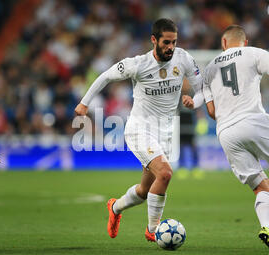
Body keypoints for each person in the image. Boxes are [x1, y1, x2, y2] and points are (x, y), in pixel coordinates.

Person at [184, 25, 269, 252]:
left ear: (224, 44)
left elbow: (211, 112)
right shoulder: (255, 53)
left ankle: (268, 228)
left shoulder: (210, 68)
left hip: (226, 132)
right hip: (254, 121)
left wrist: (202, 104)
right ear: (244, 41)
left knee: (261, 187)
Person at [74, 19, 204, 242]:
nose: (170, 47)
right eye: (166, 42)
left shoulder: (183, 58)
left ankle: (115, 207)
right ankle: (153, 231)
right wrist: (84, 103)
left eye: (174, 42)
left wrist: (195, 102)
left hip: (165, 133)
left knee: (145, 191)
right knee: (165, 173)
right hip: (140, 130)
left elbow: (202, 89)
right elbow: (105, 76)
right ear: (154, 40)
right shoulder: (138, 64)